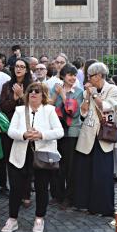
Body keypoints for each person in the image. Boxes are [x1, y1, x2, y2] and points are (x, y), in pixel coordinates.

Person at [1, 82, 64, 232]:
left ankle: (39, 218)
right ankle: (12, 219)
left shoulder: (49, 110)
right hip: (20, 155)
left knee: (42, 188)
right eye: (31, 91)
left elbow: (59, 131)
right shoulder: (19, 110)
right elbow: (11, 131)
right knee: (16, 188)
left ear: (43, 95)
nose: (33, 93)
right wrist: (23, 134)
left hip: (42, 155)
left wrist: (41, 135)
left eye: (37, 91)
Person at [74, 62, 117, 216]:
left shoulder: (112, 89)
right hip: (88, 136)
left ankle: (104, 207)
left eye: (91, 76)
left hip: (104, 136)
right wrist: (87, 97)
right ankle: (87, 205)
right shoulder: (88, 91)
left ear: (99, 75)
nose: (88, 79)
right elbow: (83, 113)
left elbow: (107, 107)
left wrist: (94, 94)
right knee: (86, 172)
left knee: (103, 174)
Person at [0, 58, 33, 200]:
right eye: (16, 66)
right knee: (11, 161)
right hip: (10, 129)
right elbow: (3, 107)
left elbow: (34, 106)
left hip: (27, 128)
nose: (18, 69)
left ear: (26, 70)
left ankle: (26, 193)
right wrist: (13, 98)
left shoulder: (32, 86)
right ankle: (15, 192)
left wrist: (21, 96)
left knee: (27, 160)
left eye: (22, 66)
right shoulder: (7, 86)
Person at [52, 64, 83, 208]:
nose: (73, 78)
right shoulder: (55, 89)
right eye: (70, 75)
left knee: (70, 167)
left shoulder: (79, 92)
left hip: (71, 132)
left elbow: (73, 112)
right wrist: (56, 93)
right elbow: (49, 106)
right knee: (57, 165)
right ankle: (58, 195)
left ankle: (69, 197)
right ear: (63, 76)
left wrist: (63, 95)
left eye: (74, 75)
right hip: (57, 131)